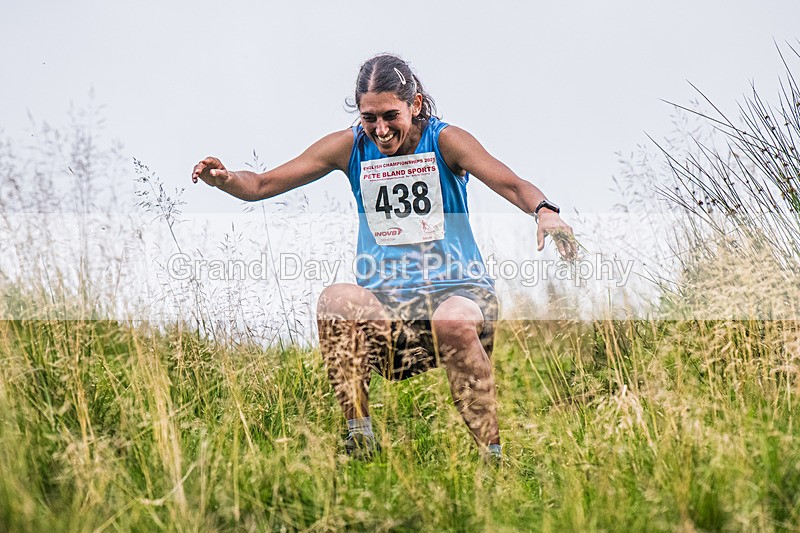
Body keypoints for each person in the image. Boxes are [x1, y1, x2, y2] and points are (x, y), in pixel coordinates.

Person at [192, 54, 576, 461]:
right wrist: (227, 179)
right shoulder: (350, 146)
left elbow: (512, 184)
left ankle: (493, 459)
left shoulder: (445, 141)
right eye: (368, 117)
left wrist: (545, 211)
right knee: (336, 301)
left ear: (416, 104)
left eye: (390, 115)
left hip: (460, 297)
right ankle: (360, 440)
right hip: (390, 308)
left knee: (451, 321)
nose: (380, 129)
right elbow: (263, 183)